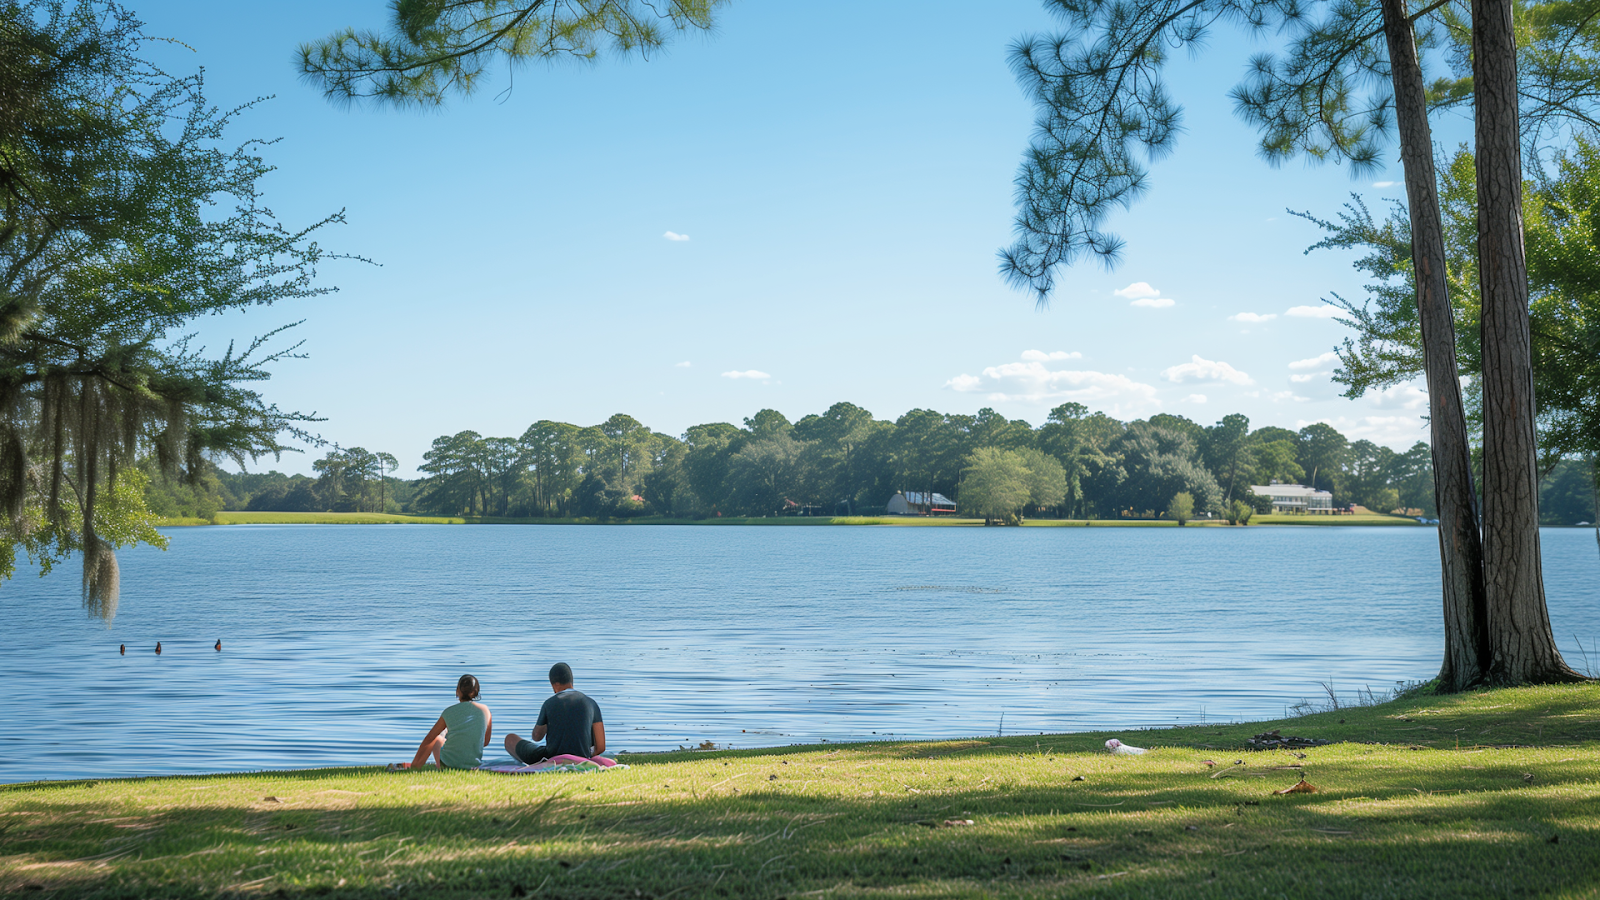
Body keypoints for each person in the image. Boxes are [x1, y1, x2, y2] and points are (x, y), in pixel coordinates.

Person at [503, 662, 605, 764]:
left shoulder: (549, 703)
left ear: (555, 684)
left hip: (552, 758)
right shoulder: (591, 703)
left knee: (510, 739)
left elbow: (537, 736)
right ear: (571, 681)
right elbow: (600, 746)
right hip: (582, 757)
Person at [396, 674, 493, 770]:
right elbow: (485, 742)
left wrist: (415, 765)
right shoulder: (485, 711)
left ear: (458, 691)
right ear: (476, 691)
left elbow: (430, 738)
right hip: (473, 764)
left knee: (437, 737)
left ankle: (421, 766)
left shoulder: (449, 712)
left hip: (448, 764)